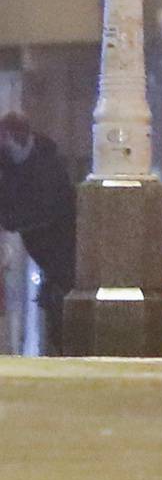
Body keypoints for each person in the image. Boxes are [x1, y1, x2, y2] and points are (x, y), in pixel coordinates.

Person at [0, 113, 78, 356]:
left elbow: (46, 210)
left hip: (61, 253)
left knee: (61, 310)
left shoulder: (48, 165)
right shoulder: (14, 161)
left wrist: (10, 219)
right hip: (48, 256)